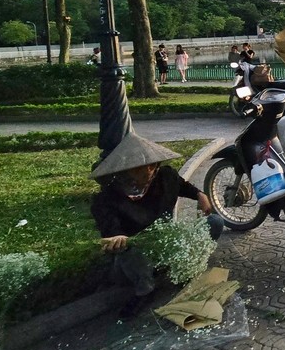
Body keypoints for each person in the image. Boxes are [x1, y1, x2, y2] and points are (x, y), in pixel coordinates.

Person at [90, 133, 221, 318]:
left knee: (214, 222)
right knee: (130, 250)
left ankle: (182, 267)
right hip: (136, 260)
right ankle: (145, 291)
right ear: (125, 171)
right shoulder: (106, 199)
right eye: (140, 168)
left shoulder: (165, 176)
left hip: (168, 244)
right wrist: (118, 237)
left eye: (152, 166)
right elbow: (110, 230)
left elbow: (183, 186)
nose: (149, 171)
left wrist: (200, 195)